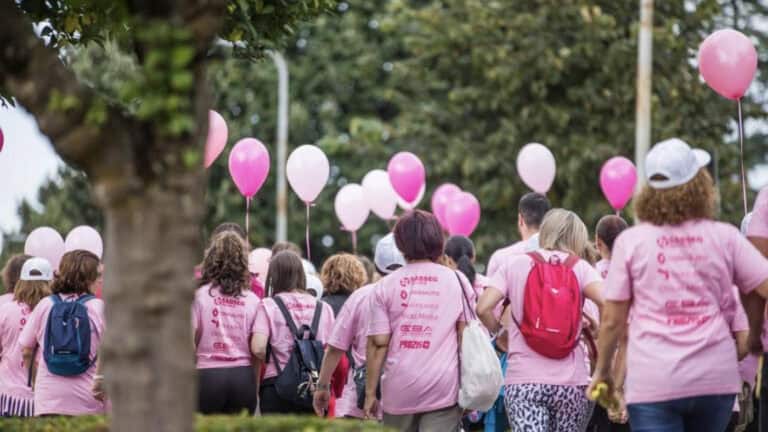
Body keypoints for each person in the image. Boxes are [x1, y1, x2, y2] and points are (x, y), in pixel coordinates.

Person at [590, 138, 768, 432]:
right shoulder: (724, 237)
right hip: (713, 379)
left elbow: (612, 319)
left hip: (654, 380)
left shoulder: (632, 243)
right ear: (699, 185)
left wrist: (603, 374)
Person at [477, 208, 604, 431]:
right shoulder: (580, 268)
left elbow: (483, 307)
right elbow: (609, 302)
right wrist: (597, 328)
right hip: (571, 385)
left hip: (524, 382)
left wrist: (499, 332)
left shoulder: (514, 264)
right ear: (577, 237)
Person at [365, 210, 475, 431]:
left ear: (401, 243)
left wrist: (369, 394)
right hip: (443, 388)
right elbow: (466, 336)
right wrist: (470, 385)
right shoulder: (457, 280)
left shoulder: (385, 286)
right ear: (437, 241)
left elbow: (378, 343)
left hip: (399, 389)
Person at [313, 234, 406, 419]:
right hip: (406, 397)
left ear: (377, 264)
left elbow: (335, 348)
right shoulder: (418, 295)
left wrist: (323, 386)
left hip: (359, 400)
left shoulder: (361, 296)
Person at [18, 250, 106, 416]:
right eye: (98, 274)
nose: (101, 280)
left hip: (49, 400)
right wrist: (99, 380)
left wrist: (37, 383)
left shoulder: (45, 305)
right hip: (89, 401)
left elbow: (26, 350)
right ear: (87, 277)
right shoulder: (99, 308)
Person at [251, 251, 335, 414]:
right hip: (313, 388)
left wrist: (275, 355)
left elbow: (258, 348)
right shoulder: (323, 308)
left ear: (273, 276)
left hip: (276, 387)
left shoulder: (269, 305)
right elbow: (331, 350)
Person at [193, 232, 260, 415]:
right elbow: (257, 352)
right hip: (242, 377)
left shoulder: (199, 296)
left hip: (207, 376)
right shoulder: (253, 300)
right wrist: (253, 384)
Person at [0, 258, 52, 417]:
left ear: (21, 282)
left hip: (6, 395)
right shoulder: (53, 311)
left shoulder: (5, 310)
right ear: (49, 282)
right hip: (42, 398)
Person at [487, 192, 551, 277]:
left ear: (520, 219)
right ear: (549, 221)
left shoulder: (500, 258)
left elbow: (490, 289)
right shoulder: (563, 257)